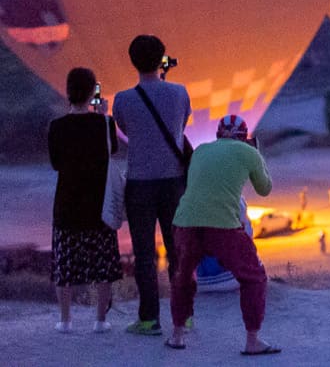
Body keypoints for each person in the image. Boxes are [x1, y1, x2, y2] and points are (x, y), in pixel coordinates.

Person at [166, 115, 274, 355]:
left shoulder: (200, 151)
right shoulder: (249, 153)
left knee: (183, 277)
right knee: (253, 277)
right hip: (223, 225)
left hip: (185, 222)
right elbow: (265, 189)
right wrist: (258, 157)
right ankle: (252, 340)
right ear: (244, 137)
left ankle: (177, 335)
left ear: (218, 134)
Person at [111, 33, 190, 337]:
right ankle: (184, 315)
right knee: (177, 249)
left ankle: (148, 320)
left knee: (144, 253)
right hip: (174, 181)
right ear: (162, 59)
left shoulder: (123, 100)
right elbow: (180, 126)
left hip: (139, 183)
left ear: (132, 61)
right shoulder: (180, 92)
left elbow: (126, 131)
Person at [48, 67, 120, 333]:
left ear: (68, 91)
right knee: (103, 265)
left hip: (67, 204)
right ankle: (101, 320)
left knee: (64, 264)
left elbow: (56, 164)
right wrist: (103, 117)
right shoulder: (104, 123)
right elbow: (112, 150)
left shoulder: (57, 126)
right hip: (98, 204)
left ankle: (65, 320)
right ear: (93, 93)